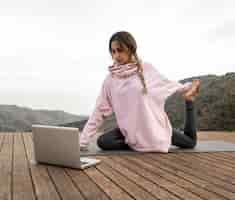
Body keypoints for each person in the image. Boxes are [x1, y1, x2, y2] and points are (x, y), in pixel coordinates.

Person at [78, 31, 201, 153]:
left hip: (152, 127)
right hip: (130, 130)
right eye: (113, 51)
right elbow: (99, 111)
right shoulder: (110, 80)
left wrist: (188, 87)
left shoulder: (146, 69)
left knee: (190, 142)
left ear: (130, 49)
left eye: (120, 50)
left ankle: (189, 101)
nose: (116, 55)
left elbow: (166, 84)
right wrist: (82, 141)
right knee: (103, 141)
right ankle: (137, 142)